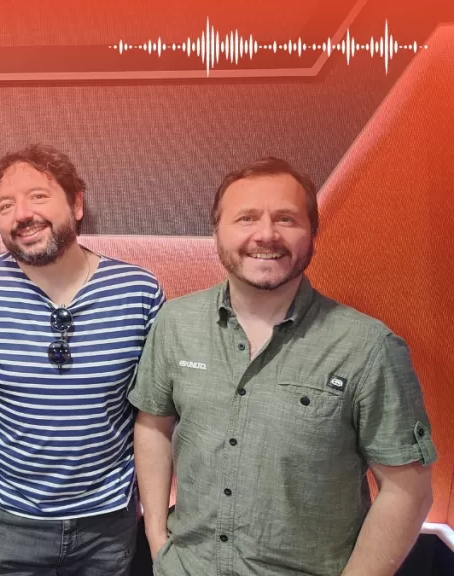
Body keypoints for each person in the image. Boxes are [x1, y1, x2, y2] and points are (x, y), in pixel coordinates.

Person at [128, 157, 437, 575]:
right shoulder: (175, 323)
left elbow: (408, 491)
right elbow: (153, 425)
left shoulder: (368, 346)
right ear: (217, 232)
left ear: (313, 235)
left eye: (286, 219)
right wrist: (158, 540)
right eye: (246, 218)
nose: (266, 234)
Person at [0, 144, 165, 575]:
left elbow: (154, 413)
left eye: (38, 196)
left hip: (108, 524)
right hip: (6, 521)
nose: (22, 213)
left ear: (76, 203)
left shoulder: (138, 291)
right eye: (6, 205)